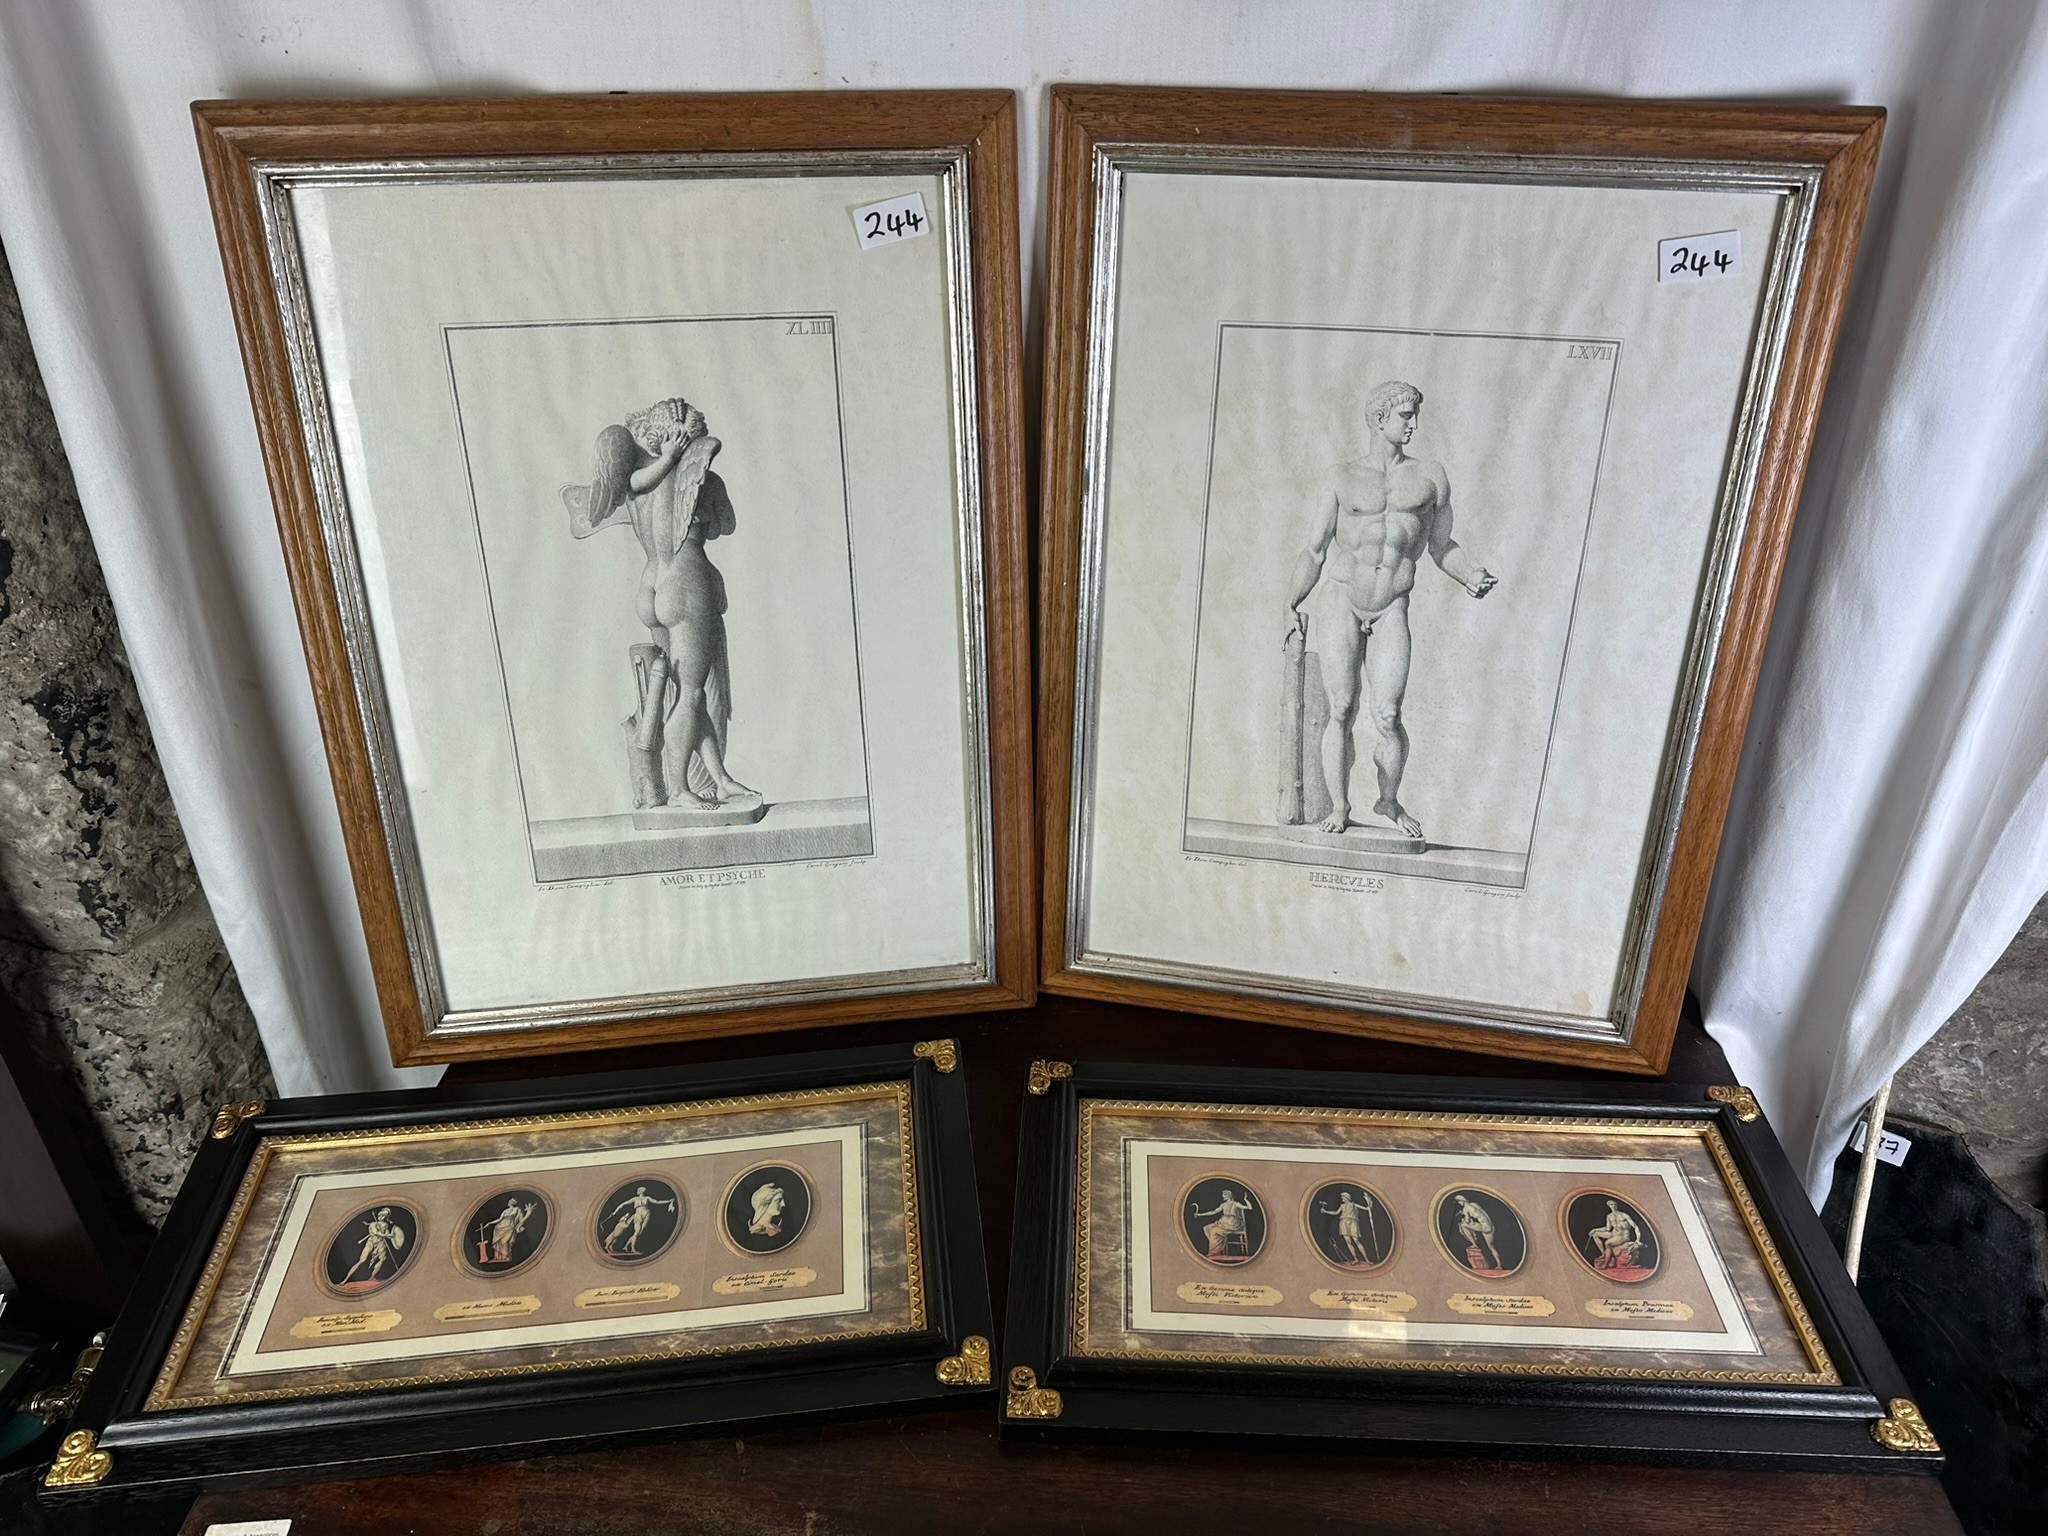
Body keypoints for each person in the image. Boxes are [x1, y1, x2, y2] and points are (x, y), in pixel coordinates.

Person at [1284, 381, 1496, 841]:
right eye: (1406, 416)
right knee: (1342, 707)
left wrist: (1469, 574)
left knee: (1388, 714)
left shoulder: (1430, 476)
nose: (1414, 424)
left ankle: (1389, 800)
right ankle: (1340, 806)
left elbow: (1442, 545)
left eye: (1415, 415)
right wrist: (1291, 603)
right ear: (1380, 419)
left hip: (1392, 604)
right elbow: (1315, 551)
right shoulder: (1341, 477)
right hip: (1341, 598)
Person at [562, 397, 755, 811]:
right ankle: (680, 788)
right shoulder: (704, 479)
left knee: (687, 690)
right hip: (687, 585)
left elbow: (627, 494)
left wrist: (664, 462)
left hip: (651, 587)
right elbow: (727, 525)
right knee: (692, 692)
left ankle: (719, 778)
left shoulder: (635, 478)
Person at [601, 1185, 678, 1257]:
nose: (637, 1191)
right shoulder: (635, 1199)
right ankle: (632, 1248)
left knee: (640, 1231)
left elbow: (657, 1202)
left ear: (641, 1191)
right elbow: (623, 1204)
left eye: (638, 1190)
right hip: (638, 1214)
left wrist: (668, 1201)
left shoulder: (647, 1198)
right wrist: (614, 1212)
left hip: (647, 1213)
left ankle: (626, 1246)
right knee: (637, 1231)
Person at [341, 1207, 405, 1286]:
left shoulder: (385, 1224)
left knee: (382, 1259)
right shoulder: (373, 1224)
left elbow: (387, 1234)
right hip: (371, 1241)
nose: (382, 1217)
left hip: (381, 1242)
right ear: (379, 1215)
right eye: (381, 1215)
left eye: (384, 1216)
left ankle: (372, 1277)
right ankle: (345, 1280)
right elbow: (376, 1233)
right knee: (362, 1260)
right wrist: (387, 1235)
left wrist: (392, 1236)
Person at [1317, 1188, 1380, 1266]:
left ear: (1347, 1198)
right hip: (1343, 1222)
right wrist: (1325, 1211)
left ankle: (1367, 1260)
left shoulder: (1354, 1204)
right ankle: (1355, 1259)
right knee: (1348, 1241)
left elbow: (1367, 1208)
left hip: (1352, 1222)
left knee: (1356, 1241)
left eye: (1343, 1197)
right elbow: (1336, 1212)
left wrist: (1369, 1202)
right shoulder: (1342, 1206)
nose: (1342, 1198)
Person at [1188, 1187, 1255, 1259]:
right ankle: (1219, 1248)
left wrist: (1245, 1200)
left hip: (1233, 1224)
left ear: (1228, 1196)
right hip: (1223, 1222)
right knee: (1207, 1228)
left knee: (1214, 1231)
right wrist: (1200, 1214)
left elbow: (1250, 1208)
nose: (1223, 1196)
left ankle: (1214, 1252)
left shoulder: (1236, 1204)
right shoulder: (1223, 1205)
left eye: (1224, 1195)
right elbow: (1213, 1212)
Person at [1587, 1199, 1644, 1272]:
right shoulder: (1609, 1216)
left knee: (1607, 1243)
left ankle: (1606, 1264)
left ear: (1617, 1205)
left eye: (1615, 1204)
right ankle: (1603, 1254)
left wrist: (1638, 1239)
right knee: (1595, 1234)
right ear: (1609, 1206)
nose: (1613, 1206)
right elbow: (1607, 1228)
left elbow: (1635, 1226)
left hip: (1623, 1236)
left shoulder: (1624, 1215)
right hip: (1613, 1234)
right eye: (1611, 1205)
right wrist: (1595, 1229)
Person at [1454, 1193, 1503, 1272]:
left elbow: (1467, 1221)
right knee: (1491, 1246)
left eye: (1459, 1202)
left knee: (1463, 1225)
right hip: (1490, 1226)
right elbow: (1477, 1213)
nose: (1459, 1203)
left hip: (1484, 1227)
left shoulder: (1465, 1209)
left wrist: (1464, 1217)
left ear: (1462, 1201)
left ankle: (1474, 1244)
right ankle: (1499, 1265)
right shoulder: (1473, 1204)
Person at [479, 1198, 537, 1265]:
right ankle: (498, 1257)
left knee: (505, 1241)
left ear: (513, 1203)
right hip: (499, 1227)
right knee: (498, 1242)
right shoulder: (505, 1211)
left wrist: (528, 1213)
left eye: (510, 1202)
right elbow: (499, 1219)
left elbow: (521, 1219)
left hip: (510, 1227)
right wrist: (489, 1223)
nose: (509, 1203)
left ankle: (505, 1257)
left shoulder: (517, 1209)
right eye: (509, 1202)